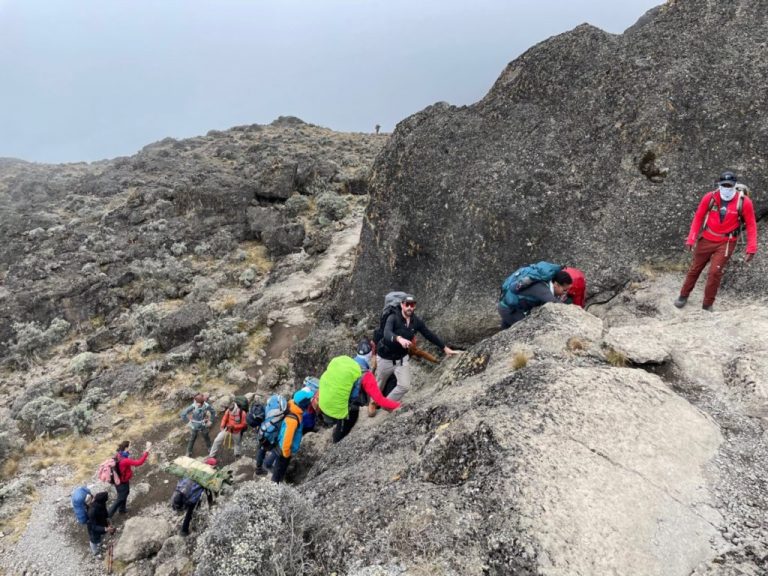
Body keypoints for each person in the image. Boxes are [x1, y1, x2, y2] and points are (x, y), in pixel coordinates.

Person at [674, 171, 757, 311]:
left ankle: (707, 305)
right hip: (706, 238)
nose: (726, 188)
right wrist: (691, 238)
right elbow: (698, 217)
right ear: (719, 185)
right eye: (723, 185)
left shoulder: (744, 202)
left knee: (714, 273)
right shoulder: (710, 197)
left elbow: (751, 225)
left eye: (729, 185)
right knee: (695, 269)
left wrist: (751, 248)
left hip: (726, 242)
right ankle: (683, 295)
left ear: (734, 185)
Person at [372, 294, 458, 408]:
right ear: (402, 305)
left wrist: (445, 348)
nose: (409, 307)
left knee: (404, 386)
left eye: (412, 305)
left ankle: (386, 403)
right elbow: (387, 333)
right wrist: (399, 338)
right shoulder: (393, 317)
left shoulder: (415, 321)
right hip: (385, 357)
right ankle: (373, 403)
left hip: (401, 359)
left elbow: (429, 334)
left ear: (414, 306)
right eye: (407, 304)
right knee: (380, 383)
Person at [326, 340, 402, 432]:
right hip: (350, 406)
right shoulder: (366, 375)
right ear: (370, 355)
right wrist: (399, 406)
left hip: (331, 403)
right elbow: (380, 400)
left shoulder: (348, 364)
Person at [498, 269, 573, 329]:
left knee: (505, 332)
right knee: (526, 331)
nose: (565, 293)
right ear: (556, 284)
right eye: (564, 290)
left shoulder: (545, 283)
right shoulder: (541, 288)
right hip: (510, 311)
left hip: (509, 306)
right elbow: (555, 303)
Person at [256, 396, 306, 483]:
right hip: (284, 447)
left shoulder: (289, 405)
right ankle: (275, 483)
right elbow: (287, 439)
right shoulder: (292, 419)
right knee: (280, 466)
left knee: (275, 452)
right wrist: (287, 453)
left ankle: (266, 465)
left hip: (279, 441)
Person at [172, 457, 216, 536]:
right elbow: (208, 492)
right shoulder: (207, 476)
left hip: (180, 492)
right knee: (190, 512)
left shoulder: (194, 469)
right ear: (211, 466)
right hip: (190, 497)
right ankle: (184, 531)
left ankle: (182, 519)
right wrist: (211, 505)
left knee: (189, 504)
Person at [107, 440, 151, 518]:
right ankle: (108, 515)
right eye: (130, 446)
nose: (130, 447)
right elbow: (139, 463)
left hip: (120, 480)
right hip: (121, 482)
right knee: (120, 498)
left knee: (125, 493)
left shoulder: (119, 454)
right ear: (126, 448)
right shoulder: (125, 460)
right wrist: (147, 451)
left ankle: (122, 509)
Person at [87, 491, 115, 557]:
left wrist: (108, 522)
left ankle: (99, 544)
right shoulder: (92, 511)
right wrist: (105, 529)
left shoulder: (102, 504)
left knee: (100, 537)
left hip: (101, 524)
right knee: (93, 540)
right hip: (93, 529)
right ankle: (95, 552)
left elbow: (105, 513)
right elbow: (93, 527)